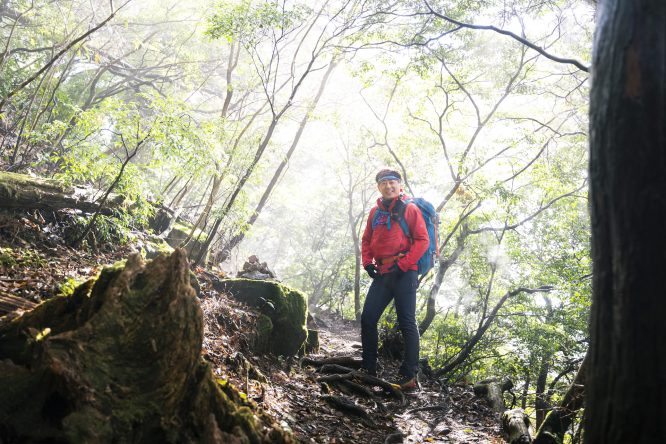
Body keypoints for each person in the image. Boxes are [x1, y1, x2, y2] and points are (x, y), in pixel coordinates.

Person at [360, 168, 429, 390]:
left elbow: (422, 240)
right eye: (384, 183)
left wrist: (403, 265)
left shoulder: (409, 209)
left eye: (392, 182)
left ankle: (409, 376)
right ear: (378, 187)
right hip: (383, 273)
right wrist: (367, 263)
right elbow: (367, 240)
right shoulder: (375, 212)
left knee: (407, 322)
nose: (388, 186)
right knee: (368, 318)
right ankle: (368, 367)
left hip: (404, 272)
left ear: (400, 185)